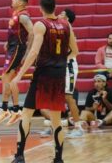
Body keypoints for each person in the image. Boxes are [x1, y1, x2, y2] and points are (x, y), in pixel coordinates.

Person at [11, 0, 78, 163]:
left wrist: (19, 76)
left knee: (27, 113)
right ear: (54, 7)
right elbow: (75, 51)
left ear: (41, 8)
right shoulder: (66, 24)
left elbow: (33, 52)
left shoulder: (41, 24)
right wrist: (59, 60)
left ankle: (19, 156)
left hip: (43, 74)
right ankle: (58, 158)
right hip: (59, 74)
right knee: (56, 119)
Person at [40, 9, 83, 138]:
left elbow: (72, 51)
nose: (58, 15)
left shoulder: (68, 29)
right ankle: (55, 126)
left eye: (62, 14)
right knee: (50, 99)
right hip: (57, 65)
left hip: (68, 65)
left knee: (68, 97)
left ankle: (78, 127)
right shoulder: (57, 29)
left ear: (67, 19)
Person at [0, 0, 33, 126]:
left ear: (22, 3)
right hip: (13, 47)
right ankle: (16, 110)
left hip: (17, 49)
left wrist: (27, 53)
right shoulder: (16, 14)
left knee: (5, 77)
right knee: (10, 80)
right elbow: (16, 31)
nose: (12, 0)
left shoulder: (23, 16)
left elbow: (32, 33)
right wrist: (8, 41)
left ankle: (5, 109)